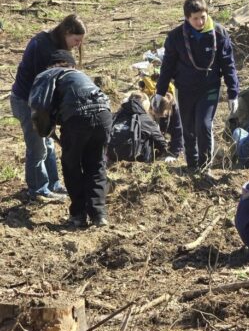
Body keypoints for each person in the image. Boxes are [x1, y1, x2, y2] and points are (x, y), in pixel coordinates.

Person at [154, 0, 239, 171]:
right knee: (188, 127)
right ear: (187, 18)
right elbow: (167, 66)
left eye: (203, 17)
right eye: (195, 18)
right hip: (185, 88)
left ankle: (205, 166)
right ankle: (192, 166)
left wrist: (233, 93)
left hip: (209, 87)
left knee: (204, 125)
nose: (200, 22)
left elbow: (228, 64)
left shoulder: (219, 33)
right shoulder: (176, 37)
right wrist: (160, 92)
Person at [29, 50, 111, 227]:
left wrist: (45, 130)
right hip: (104, 115)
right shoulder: (80, 75)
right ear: (72, 65)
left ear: (52, 65)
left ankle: (78, 215)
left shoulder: (49, 74)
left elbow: (39, 106)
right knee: (96, 164)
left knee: (71, 165)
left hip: (77, 117)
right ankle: (99, 215)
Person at [10, 14, 86, 201]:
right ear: (67, 32)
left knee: (49, 145)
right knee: (38, 148)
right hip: (27, 101)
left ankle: (53, 184)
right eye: (76, 40)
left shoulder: (58, 46)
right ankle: (38, 189)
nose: (78, 45)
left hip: (41, 101)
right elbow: (41, 88)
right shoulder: (41, 46)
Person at [108, 92, 170, 163]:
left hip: (111, 155)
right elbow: (161, 142)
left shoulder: (117, 115)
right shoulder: (145, 119)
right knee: (151, 136)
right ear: (145, 104)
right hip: (134, 159)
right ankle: (148, 161)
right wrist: (165, 152)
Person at [151, 92, 184, 160]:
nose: (158, 116)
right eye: (156, 114)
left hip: (169, 134)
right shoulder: (149, 105)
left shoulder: (175, 110)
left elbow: (178, 133)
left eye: (162, 115)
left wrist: (173, 154)